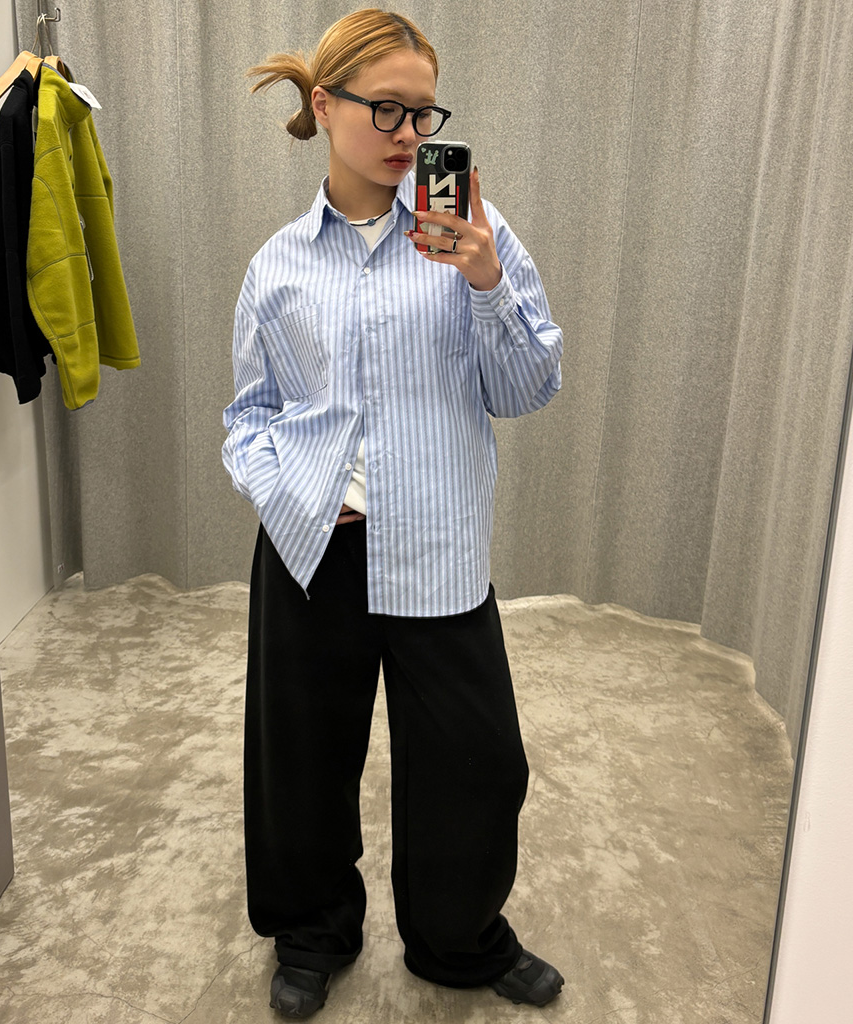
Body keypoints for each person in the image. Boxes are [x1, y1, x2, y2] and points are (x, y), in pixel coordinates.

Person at [222, 8, 564, 1018]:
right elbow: (248, 416)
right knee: (302, 759)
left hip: (437, 543)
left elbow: (527, 386)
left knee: (476, 761)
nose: (409, 134)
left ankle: (459, 937)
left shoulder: (477, 237)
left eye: (424, 113)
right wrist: (289, 491)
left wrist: (484, 281)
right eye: (386, 109)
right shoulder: (278, 265)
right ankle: (311, 932)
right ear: (324, 106)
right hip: (313, 548)